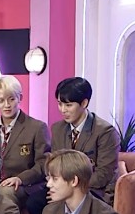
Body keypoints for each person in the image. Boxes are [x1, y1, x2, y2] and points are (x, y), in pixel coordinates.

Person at [24, 77, 119, 206]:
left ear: (84, 103)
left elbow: (103, 175)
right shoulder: (58, 129)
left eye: (68, 105)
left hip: (92, 189)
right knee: (34, 202)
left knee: (63, 203)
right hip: (63, 186)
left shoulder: (105, 132)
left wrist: (68, 188)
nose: (63, 110)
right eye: (60, 104)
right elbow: (55, 164)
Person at [0, 75, 51, 214]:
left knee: (5, 193)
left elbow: (43, 164)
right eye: (1, 101)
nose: (7, 105)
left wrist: (20, 179)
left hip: (26, 185)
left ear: (20, 98)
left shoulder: (37, 127)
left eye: (11, 99)